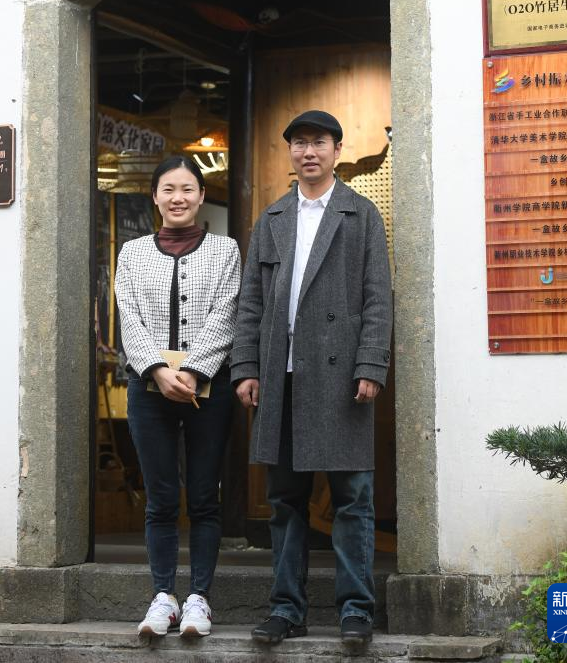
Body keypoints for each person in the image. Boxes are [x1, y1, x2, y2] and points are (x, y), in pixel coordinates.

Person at [231, 110, 393, 649]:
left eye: (319, 142)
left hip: (342, 376)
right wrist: (246, 367)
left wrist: (371, 365)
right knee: (284, 501)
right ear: (291, 153)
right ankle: (286, 609)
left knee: (352, 498)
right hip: (282, 377)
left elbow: (378, 298)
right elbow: (251, 303)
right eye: (299, 143)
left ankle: (356, 610)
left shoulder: (360, 214)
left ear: (337, 150)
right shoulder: (273, 218)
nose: (308, 152)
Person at [115, 154, 241, 641]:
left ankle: (199, 598)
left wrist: (191, 370)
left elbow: (227, 311)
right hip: (148, 389)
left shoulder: (225, 250)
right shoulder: (132, 253)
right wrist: (157, 369)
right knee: (161, 498)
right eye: (168, 189)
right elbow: (128, 316)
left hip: (210, 388)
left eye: (187, 189)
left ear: (201, 196)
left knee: (205, 497)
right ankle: (163, 595)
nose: (178, 198)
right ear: (155, 196)